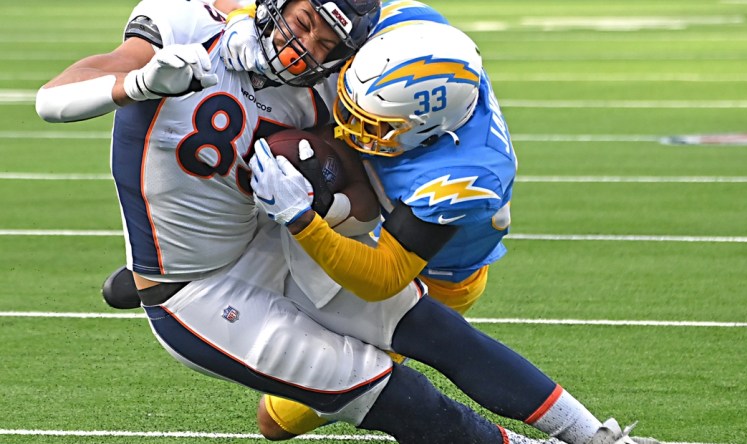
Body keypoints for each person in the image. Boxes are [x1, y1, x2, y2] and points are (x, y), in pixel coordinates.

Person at [33, 0, 582, 442]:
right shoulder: (188, 24)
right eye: (304, 23)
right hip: (193, 293)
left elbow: (364, 195)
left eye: (327, 44)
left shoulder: (333, 85)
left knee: (436, 331)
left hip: (271, 241)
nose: (306, 50)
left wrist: (317, 210)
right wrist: (140, 84)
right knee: (396, 395)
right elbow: (51, 98)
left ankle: (599, 439)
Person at [250, 18, 662, 444]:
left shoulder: (465, 176)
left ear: (427, 130)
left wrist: (301, 218)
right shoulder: (408, 27)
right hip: (377, 221)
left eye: (371, 126)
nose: (348, 128)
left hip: (436, 273)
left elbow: (384, 277)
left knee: (278, 419)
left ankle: (579, 438)